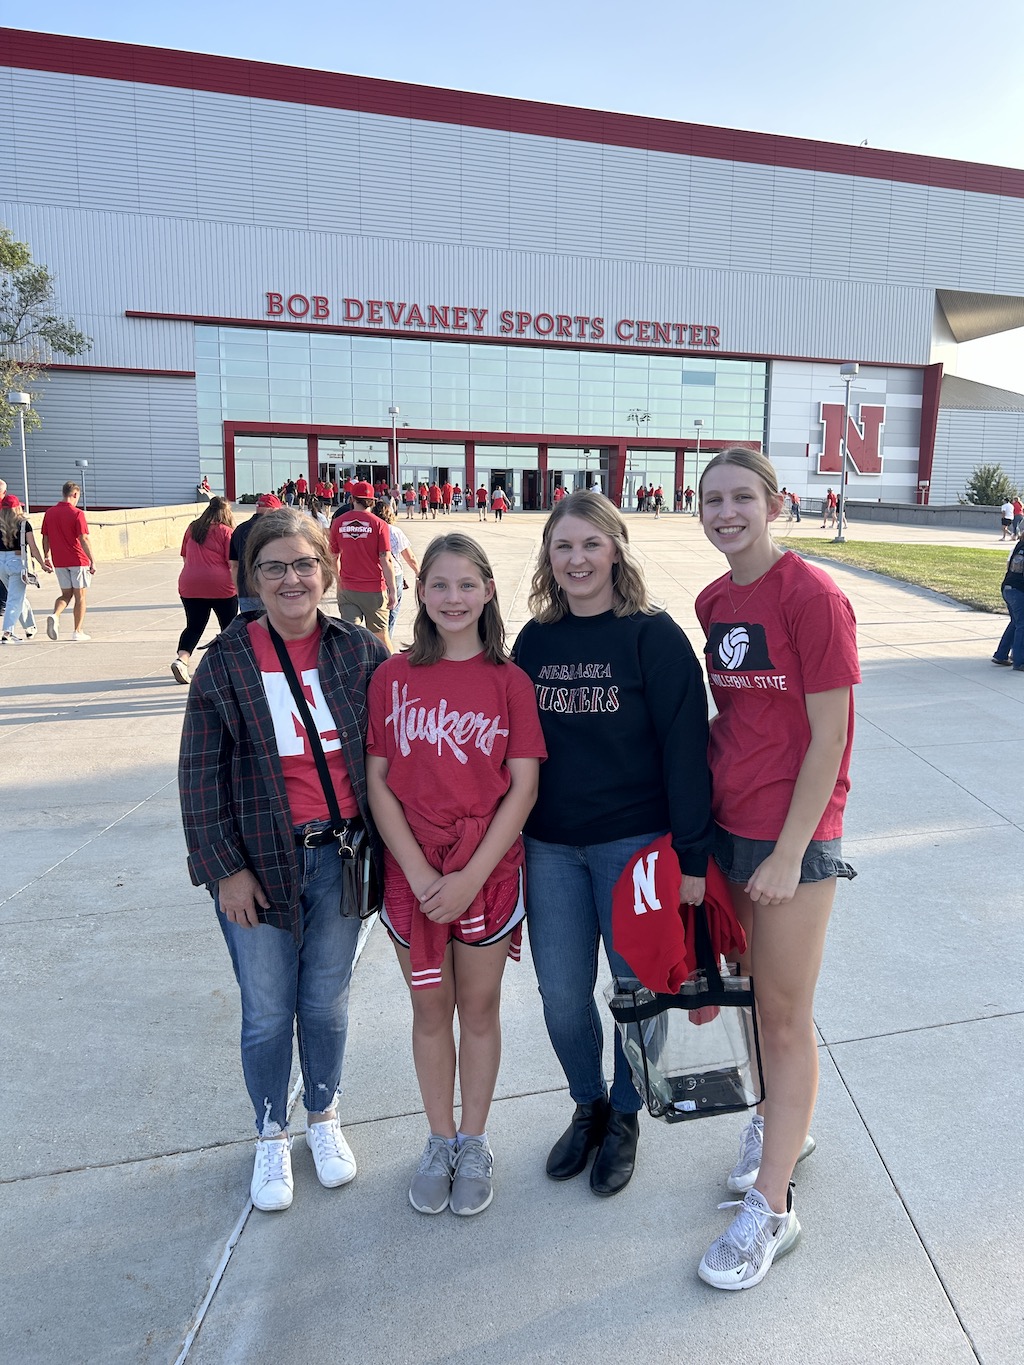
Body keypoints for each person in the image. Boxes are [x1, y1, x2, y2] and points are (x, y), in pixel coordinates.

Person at [180, 508, 389, 1212]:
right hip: (259, 866)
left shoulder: (360, 653)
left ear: (326, 571)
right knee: (268, 1011)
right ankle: (271, 1130)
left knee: (325, 1002)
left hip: (341, 860)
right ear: (252, 580)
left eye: (304, 564)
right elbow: (199, 776)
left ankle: (323, 1115)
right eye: (274, 567)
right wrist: (223, 868)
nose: (291, 578)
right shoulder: (226, 663)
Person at [513, 491, 713, 1198]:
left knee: (638, 994)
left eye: (591, 544)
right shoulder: (535, 640)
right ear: (548, 556)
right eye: (563, 546)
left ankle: (628, 1112)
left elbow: (686, 751)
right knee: (562, 994)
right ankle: (588, 1102)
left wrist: (692, 856)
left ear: (617, 549)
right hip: (551, 849)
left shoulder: (653, 637)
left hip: (635, 845)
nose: (576, 559)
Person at [694, 447, 859, 1290]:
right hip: (729, 827)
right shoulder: (714, 600)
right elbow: (741, 716)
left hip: (792, 835)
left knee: (786, 1016)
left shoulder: (814, 596)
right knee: (752, 997)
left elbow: (828, 737)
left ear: (776, 504)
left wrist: (791, 852)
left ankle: (775, 1206)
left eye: (741, 498)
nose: (727, 512)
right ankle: (777, 1121)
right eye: (712, 499)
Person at [366, 533, 545, 1216]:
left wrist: (470, 875)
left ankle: (474, 1139)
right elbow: (379, 783)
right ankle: (438, 1138)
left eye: (467, 584)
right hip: (411, 871)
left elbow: (522, 788)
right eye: (439, 584)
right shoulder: (393, 675)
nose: (452, 597)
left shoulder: (509, 681)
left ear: (489, 591)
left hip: (487, 873)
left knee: (478, 1008)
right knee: (428, 1007)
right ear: (420, 591)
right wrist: (415, 868)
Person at [172, 496, 238, 684]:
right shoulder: (227, 532)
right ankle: (229, 666)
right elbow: (232, 563)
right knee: (228, 626)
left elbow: (185, 557)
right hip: (221, 586)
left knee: (194, 626)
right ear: (226, 512)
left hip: (190, 584)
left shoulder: (192, 528)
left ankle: (182, 660)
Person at [329, 479, 396, 651]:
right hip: (374, 590)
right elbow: (385, 559)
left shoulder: (339, 523)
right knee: (381, 636)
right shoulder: (379, 525)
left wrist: (339, 582)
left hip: (348, 589)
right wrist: (393, 590)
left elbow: (333, 558)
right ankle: (390, 673)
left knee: (351, 637)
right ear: (373, 501)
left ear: (352, 499)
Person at [42, 481, 96, 642]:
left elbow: (45, 537)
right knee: (80, 596)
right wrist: (92, 560)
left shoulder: (50, 513)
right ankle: (77, 631)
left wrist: (46, 556)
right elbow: (83, 538)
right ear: (74, 494)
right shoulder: (77, 513)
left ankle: (55, 615)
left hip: (59, 561)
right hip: (78, 560)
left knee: (66, 594)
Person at [0, 496, 52, 643]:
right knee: (14, 599)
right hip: (16, 562)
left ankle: (30, 627)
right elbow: (33, 548)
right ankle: (7, 633)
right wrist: (43, 564)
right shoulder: (24, 524)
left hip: (0, 564)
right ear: (17, 508)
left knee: (15, 596)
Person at [374, 497, 420, 643]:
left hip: (374, 575)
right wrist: (418, 572)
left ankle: (376, 643)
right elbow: (410, 556)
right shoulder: (395, 531)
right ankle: (386, 643)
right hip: (395, 574)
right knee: (391, 614)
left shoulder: (371, 530)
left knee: (376, 615)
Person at [230, 494, 283, 614]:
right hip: (275, 590)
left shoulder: (239, 529)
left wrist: (239, 591)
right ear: (272, 510)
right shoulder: (278, 529)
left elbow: (234, 566)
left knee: (252, 630)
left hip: (247, 591)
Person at [992, 523, 1024, 670]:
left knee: (1015, 623)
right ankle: (1019, 661)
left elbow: (1008, 565)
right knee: (1022, 625)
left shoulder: (1019, 545)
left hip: (1007, 588)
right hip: (1018, 591)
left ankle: (1001, 655)